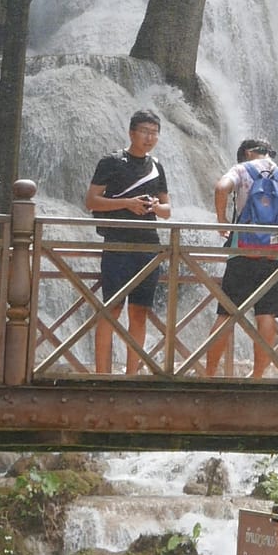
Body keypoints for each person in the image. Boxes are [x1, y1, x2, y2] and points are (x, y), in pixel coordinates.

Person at [86, 110, 172, 378]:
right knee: (110, 309)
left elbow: (168, 210)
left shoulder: (157, 166)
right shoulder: (111, 162)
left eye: (154, 132)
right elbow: (91, 201)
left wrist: (155, 207)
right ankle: (102, 374)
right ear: (131, 132)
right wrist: (127, 203)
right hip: (118, 244)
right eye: (145, 131)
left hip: (148, 247)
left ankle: (132, 374)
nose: (150, 137)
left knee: (140, 312)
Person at [210, 136, 278, 378]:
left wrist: (221, 220)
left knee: (227, 313)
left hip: (242, 252)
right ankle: (258, 375)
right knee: (267, 314)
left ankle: (208, 373)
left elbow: (221, 187)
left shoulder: (242, 170)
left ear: (248, 153)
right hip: (274, 256)